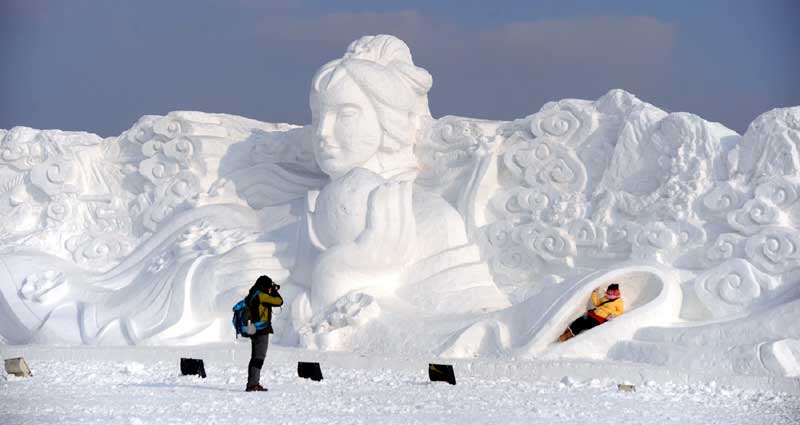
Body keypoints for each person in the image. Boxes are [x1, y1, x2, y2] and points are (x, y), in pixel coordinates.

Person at [245, 275, 283, 392]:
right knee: (259, 357)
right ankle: (253, 384)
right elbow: (279, 301)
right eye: (269, 286)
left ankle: (252, 383)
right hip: (261, 329)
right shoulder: (261, 295)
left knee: (255, 356)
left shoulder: (252, 294)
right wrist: (275, 291)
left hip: (253, 328)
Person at [558, 283, 624, 342]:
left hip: (599, 319)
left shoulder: (618, 301)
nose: (609, 293)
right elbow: (596, 303)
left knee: (583, 324)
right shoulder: (605, 298)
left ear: (615, 292)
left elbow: (620, 311)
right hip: (593, 314)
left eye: (611, 292)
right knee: (579, 320)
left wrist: (612, 314)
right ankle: (566, 332)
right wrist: (594, 293)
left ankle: (567, 336)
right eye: (608, 291)